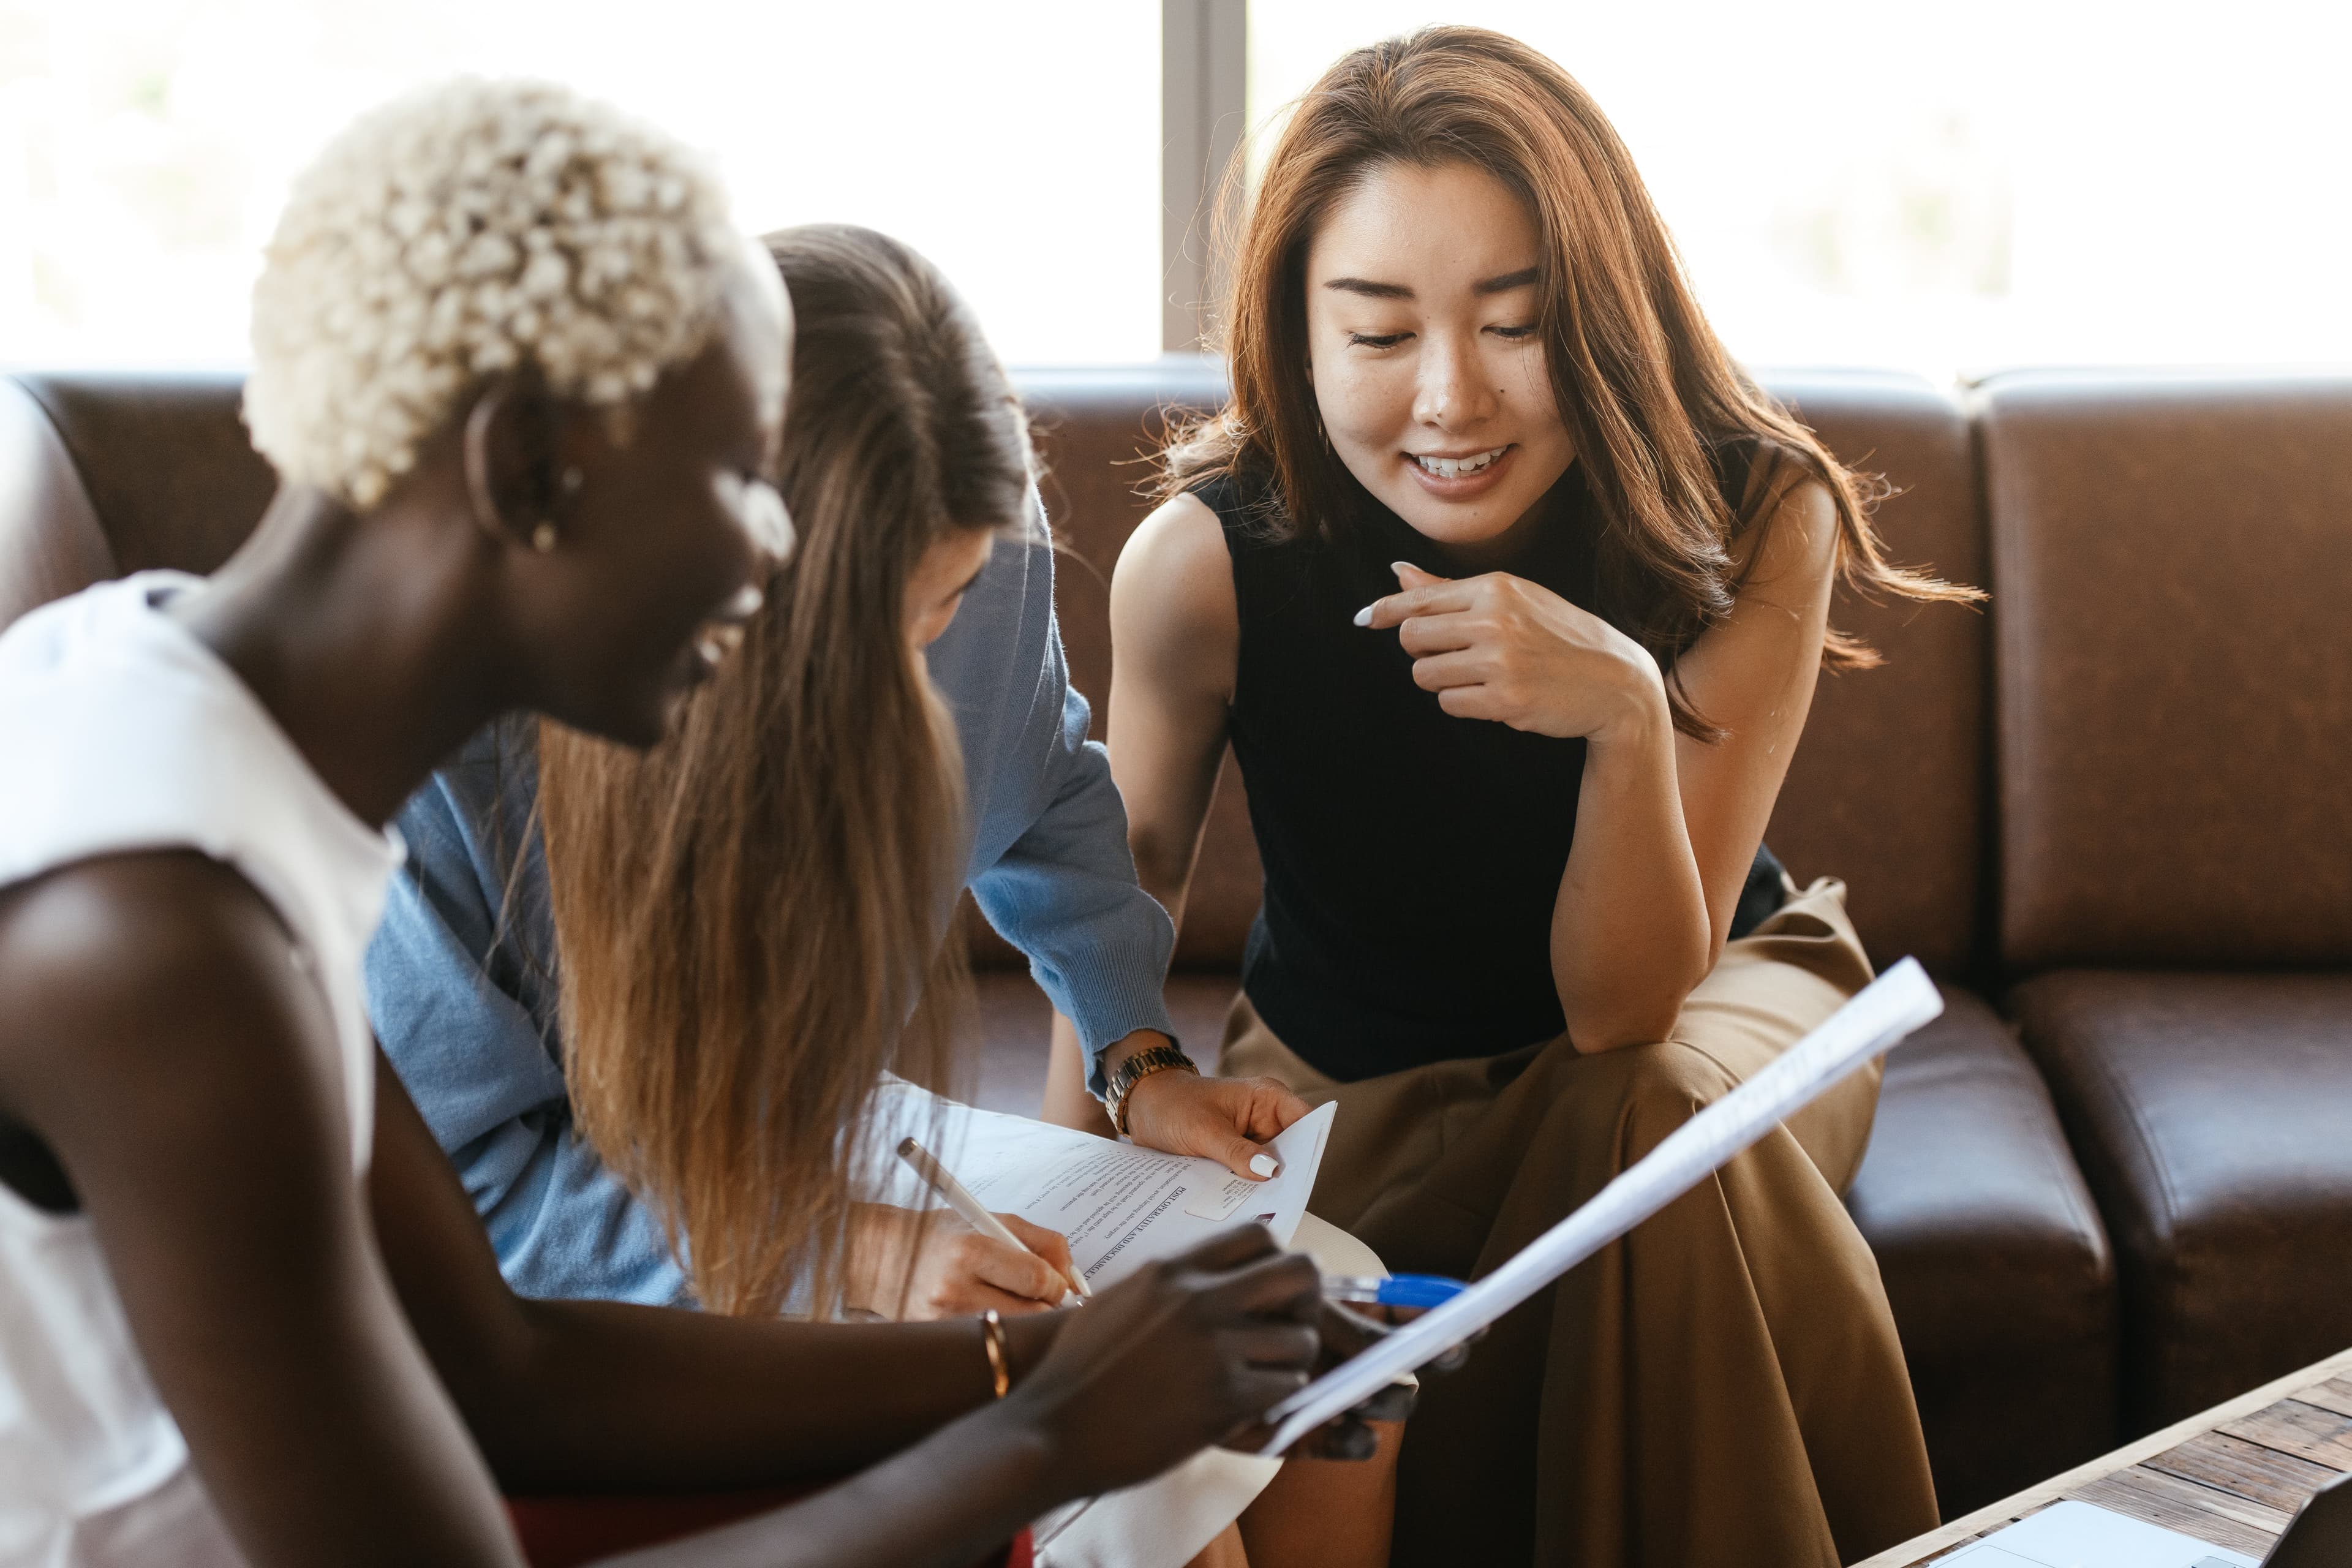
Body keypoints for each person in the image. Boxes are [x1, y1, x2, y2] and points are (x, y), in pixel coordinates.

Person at [0, 79, 1344, 1568]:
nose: (769, 548)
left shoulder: (208, 744)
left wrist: (1056, 1364)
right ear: (529, 472)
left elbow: (509, 1368)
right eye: (730, 477)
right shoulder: (153, 936)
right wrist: (1044, 1432)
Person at [1039, 26, 1979, 1568]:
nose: (1453, 399)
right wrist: (1064, 1218)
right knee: (1635, 1140)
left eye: (1515, 322)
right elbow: (1109, 897)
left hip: (1715, 1006)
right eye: (1381, 331)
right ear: (1298, 334)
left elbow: (1628, 1011)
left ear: (1601, 314)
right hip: (1355, 1068)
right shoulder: (1204, 566)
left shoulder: (1756, 515)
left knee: (1650, 1114)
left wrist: (1622, 713)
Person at [377, 221, 1408, 1568]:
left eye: (955, 600)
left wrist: (1134, 1053)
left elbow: (1044, 789)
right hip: (599, 1252)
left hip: (819, 1133)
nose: (923, 672)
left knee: (1323, 1297)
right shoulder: (455, 740)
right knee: (1156, 1482)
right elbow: (474, 1200)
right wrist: (844, 1254)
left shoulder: (984, 557)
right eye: (877, 623)